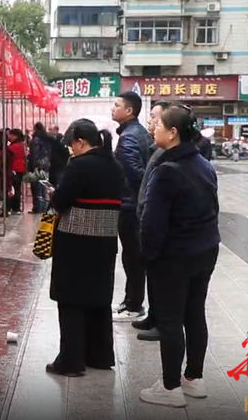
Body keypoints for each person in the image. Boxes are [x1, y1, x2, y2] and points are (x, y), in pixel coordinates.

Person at [138, 104, 221, 408]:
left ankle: (170, 386)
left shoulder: (166, 172)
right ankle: (194, 378)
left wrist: (149, 255)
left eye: (158, 124)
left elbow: (152, 222)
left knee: (170, 319)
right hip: (205, 250)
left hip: (174, 256)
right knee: (194, 313)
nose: (154, 128)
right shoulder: (204, 165)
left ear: (173, 133)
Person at [45, 119, 123, 377]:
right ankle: (100, 356)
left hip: (76, 241)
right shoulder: (115, 165)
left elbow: (62, 200)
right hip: (106, 240)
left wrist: (52, 194)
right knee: (99, 298)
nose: (71, 149)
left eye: (72, 145)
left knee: (70, 299)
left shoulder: (79, 165)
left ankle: (71, 361)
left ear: (80, 141)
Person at [111, 91, 152, 322]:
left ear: (129, 111)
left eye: (117, 105)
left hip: (130, 205)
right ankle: (130, 300)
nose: (113, 108)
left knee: (133, 256)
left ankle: (134, 305)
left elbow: (136, 174)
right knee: (132, 255)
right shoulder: (138, 132)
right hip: (135, 203)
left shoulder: (128, 138)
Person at [132, 100, 170, 343]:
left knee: (162, 278)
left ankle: (162, 321)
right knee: (152, 275)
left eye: (155, 117)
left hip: (160, 230)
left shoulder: (168, 155)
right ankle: (154, 315)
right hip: (147, 221)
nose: (150, 121)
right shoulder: (156, 149)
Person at [8, 129, 28, 214]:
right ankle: (16, 207)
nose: (9, 137)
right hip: (21, 168)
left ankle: (14, 207)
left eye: (10, 135)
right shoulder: (22, 144)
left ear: (15, 136)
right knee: (17, 188)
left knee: (13, 188)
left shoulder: (13, 147)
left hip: (14, 168)